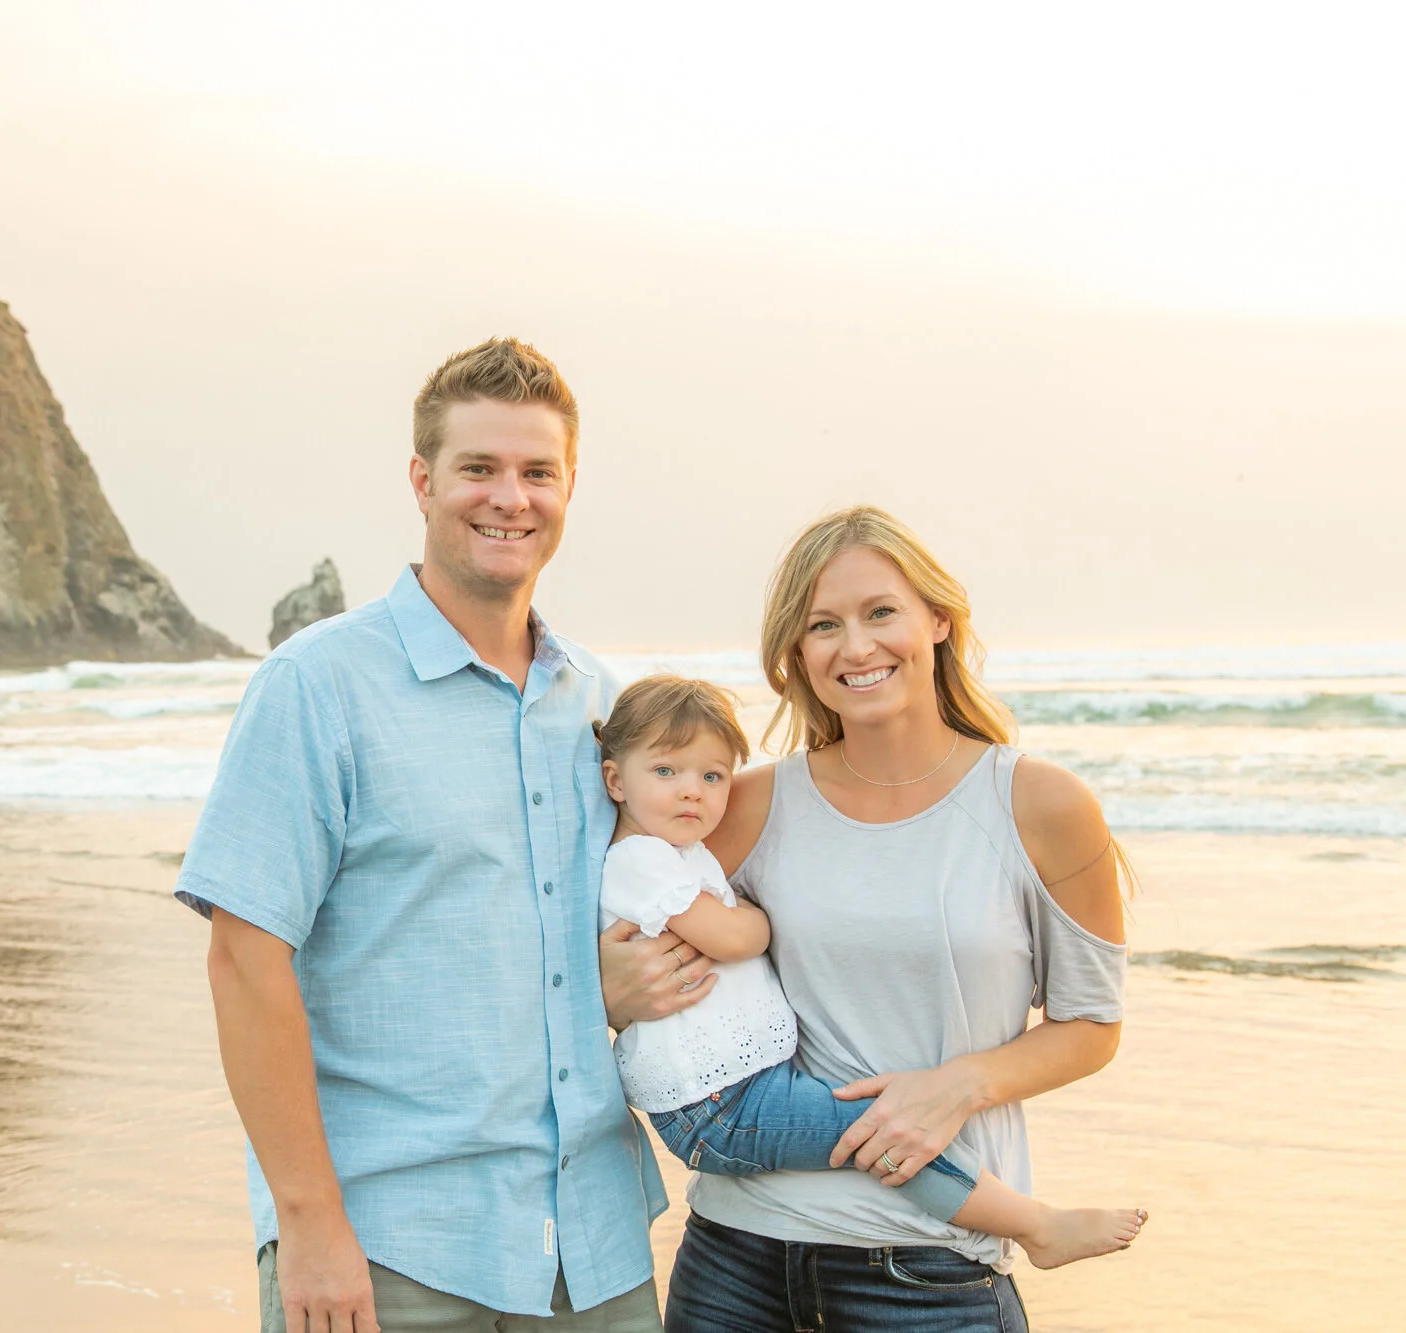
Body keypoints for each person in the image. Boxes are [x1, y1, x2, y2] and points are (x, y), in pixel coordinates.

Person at [176, 338, 688, 1333]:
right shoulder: (316, 686)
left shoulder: (605, 707)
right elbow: (243, 961)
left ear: (568, 486)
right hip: (388, 1245)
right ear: (422, 481)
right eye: (478, 469)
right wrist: (309, 1224)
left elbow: (647, 899)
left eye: (536, 472)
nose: (510, 497)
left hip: (592, 1245)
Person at [634, 505, 1135, 1332]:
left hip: (931, 1268)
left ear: (938, 619)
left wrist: (957, 1086)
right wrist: (622, 987)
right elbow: (626, 923)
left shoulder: (1039, 803)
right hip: (733, 1261)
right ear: (797, 653)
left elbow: (1091, 1025)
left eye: (880, 613)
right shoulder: (744, 804)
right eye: (822, 624)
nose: (855, 646)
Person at [592, 674, 1145, 1274]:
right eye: (667, 772)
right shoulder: (645, 860)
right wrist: (749, 918)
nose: (692, 793)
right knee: (888, 1133)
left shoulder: (682, 850)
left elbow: (1091, 1022)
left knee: (886, 1133)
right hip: (717, 1109)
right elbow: (735, 937)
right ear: (615, 780)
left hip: (743, 1098)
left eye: (712, 775)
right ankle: (1035, 1226)